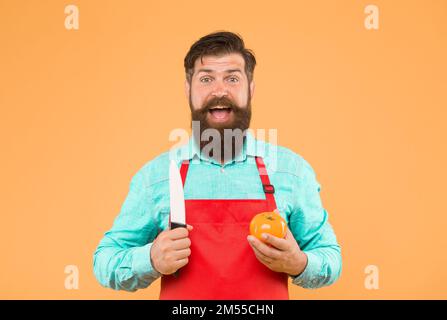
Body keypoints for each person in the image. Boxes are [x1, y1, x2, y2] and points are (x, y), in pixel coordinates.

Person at [93, 31, 342, 299]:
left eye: (232, 79)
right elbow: (105, 261)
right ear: (188, 89)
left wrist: (299, 264)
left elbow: (330, 257)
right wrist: (151, 259)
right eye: (206, 79)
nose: (220, 90)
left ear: (251, 89)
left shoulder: (290, 171)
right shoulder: (157, 177)